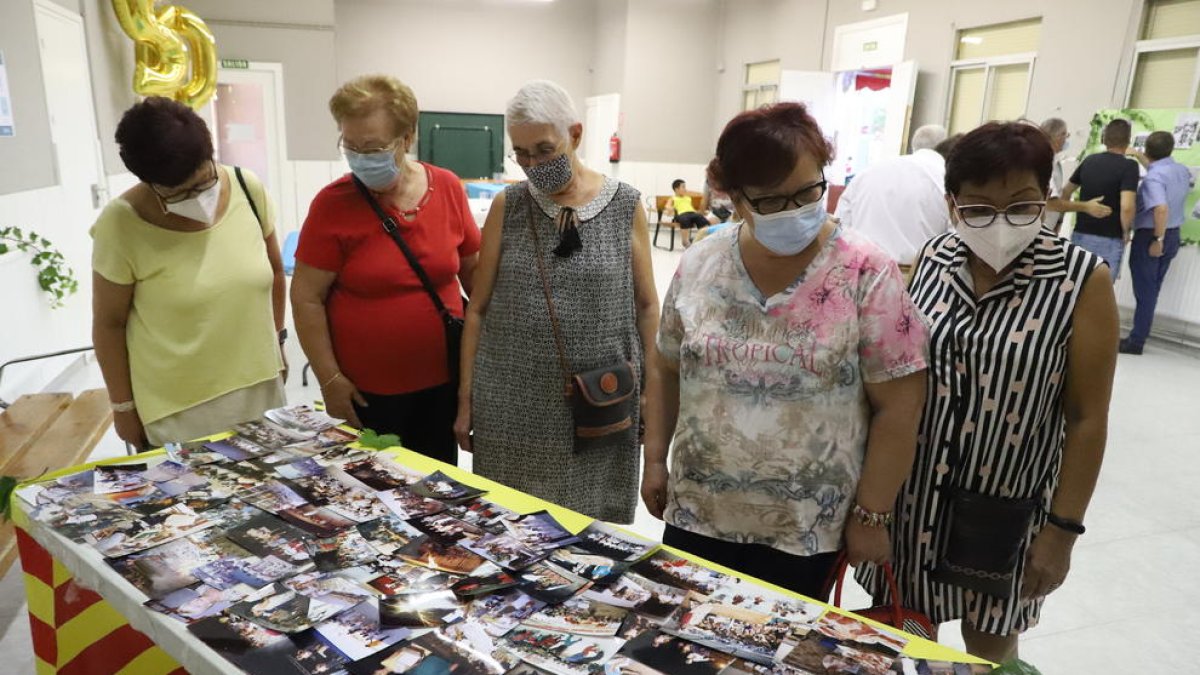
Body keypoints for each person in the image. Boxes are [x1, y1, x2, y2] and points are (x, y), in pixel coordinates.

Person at [641, 102, 929, 599]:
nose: (794, 211)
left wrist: (872, 514)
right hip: (698, 512)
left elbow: (900, 405)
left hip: (805, 528)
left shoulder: (866, 270)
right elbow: (666, 367)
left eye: (808, 191)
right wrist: (653, 460)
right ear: (734, 197)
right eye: (772, 201)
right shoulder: (702, 261)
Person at [859, 122, 1118, 663]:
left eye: (1021, 206)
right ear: (952, 204)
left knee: (991, 644)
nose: (999, 224)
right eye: (978, 209)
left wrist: (1062, 533)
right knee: (905, 635)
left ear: (1047, 198)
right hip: (914, 499)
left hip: (1006, 503)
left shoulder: (1081, 280)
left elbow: (1087, 418)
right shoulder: (933, 257)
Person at [454, 80, 660, 524]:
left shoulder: (625, 205)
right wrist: (465, 398)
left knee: (589, 538)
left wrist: (651, 396)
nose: (532, 164)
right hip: (511, 407)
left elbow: (646, 307)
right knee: (509, 526)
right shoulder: (507, 207)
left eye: (544, 150)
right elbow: (479, 307)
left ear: (576, 135)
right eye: (521, 153)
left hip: (598, 405)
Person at [292, 75, 479, 464]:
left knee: (436, 491)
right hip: (366, 393)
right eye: (351, 146)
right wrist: (329, 380)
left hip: (443, 385)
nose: (361, 157)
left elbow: (474, 276)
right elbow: (307, 297)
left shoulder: (446, 187)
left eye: (373, 147)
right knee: (376, 493)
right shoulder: (332, 205)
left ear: (407, 138)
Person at [91, 97, 287, 449]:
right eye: (177, 193)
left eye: (203, 182)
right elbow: (109, 323)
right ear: (148, 181)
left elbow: (273, 270)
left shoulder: (247, 188)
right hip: (177, 409)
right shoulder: (120, 224)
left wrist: (278, 341)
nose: (197, 199)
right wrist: (122, 407)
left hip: (259, 390)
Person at [834, 124, 953, 275]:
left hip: (861, 274)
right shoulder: (945, 179)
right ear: (945, 146)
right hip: (917, 281)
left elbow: (840, 230)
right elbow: (955, 241)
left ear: (913, 145)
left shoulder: (869, 172)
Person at [1121, 131, 1192, 354]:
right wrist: (1140, 156)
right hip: (1173, 235)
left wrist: (1156, 239)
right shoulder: (1180, 170)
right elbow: (1159, 170)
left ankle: (1136, 341)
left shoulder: (1153, 178)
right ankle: (1141, 334)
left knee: (1146, 292)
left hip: (1153, 236)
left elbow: (1160, 208)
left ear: (1148, 150)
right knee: (1153, 289)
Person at [1062, 119, 1139, 280]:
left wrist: (1061, 218)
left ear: (1104, 139)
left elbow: (1066, 191)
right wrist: (1126, 231)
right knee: (1100, 293)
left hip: (1080, 233)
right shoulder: (1129, 166)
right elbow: (1127, 206)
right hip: (1109, 238)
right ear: (1128, 140)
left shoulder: (1089, 160)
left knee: (1073, 286)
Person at [1040, 118, 1110, 232]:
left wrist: (1059, 221)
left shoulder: (1054, 161)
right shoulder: (1044, 162)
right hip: (1039, 227)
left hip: (1048, 226)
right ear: (1056, 137)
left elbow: (1062, 193)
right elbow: (1051, 203)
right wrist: (1086, 207)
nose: (1066, 139)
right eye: (1065, 135)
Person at [661, 179, 717, 248]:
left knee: (700, 217)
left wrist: (700, 212)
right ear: (676, 189)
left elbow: (690, 208)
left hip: (691, 213)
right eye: (683, 187)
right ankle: (685, 241)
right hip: (681, 214)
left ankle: (704, 238)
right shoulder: (673, 198)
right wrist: (670, 209)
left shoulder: (688, 198)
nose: (685, 189)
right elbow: (667, 206)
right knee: (685, 219)